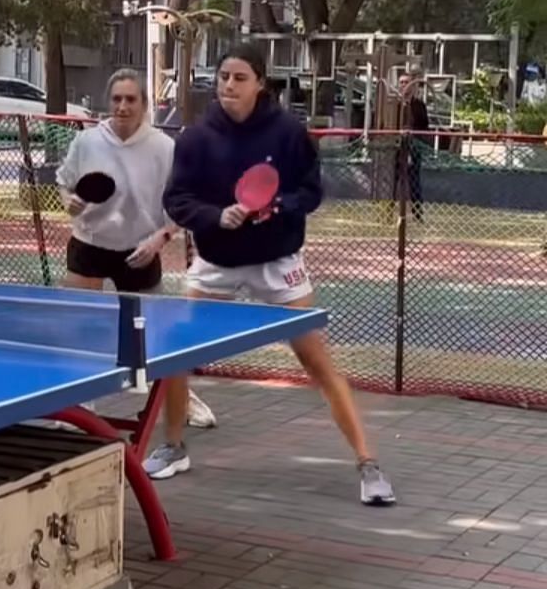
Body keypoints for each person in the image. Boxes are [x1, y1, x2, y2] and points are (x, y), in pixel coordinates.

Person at [163, 42, 395, 507]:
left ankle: (369, 465)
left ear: (260, 84)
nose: (229, 85)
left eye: (240, 78)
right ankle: (172, 447)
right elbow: (178, 200)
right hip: (216, 262)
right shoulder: (195, 138)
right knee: (175, 355)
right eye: (224, 76)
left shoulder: (289, 133)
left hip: (277, 262)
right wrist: (214, 216)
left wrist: (278, 207)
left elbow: (310, 192)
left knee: (316, 361)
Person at [56, 67, 216, 477]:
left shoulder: (164, 148)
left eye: (131, 99)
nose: (123, 106)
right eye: (117, 99)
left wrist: (159, 240)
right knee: (78, 328)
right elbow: (65, 186)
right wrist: (70, 202)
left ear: (144, 104)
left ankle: (180, 400)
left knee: (156, 343)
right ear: (108, 103)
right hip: (90, 243)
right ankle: (78, 407)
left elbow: (179, 209)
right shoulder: (87, 141)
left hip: (142, 249)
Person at [392, 69, 430, 221]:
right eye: (401, 82)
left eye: (406, 82)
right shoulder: (394, 105)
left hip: (413, 148)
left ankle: (417, 213)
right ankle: (387, 213)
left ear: (412, 86)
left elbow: (424, 127)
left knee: (414, 181)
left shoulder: (419, 105)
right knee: (391, 181)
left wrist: (415, 140)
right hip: (395, 148)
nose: (403, 85)